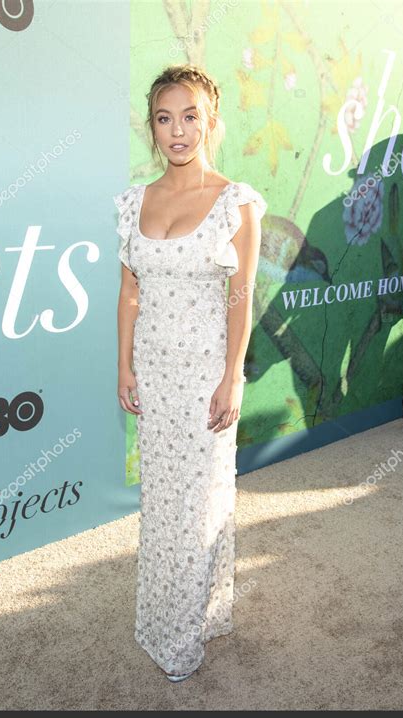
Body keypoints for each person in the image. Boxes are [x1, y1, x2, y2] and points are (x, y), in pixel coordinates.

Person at [114, 64, 267, 682]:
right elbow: (129, 292)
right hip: (153, 371)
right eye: (164, 118)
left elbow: (242, 296)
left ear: (211, 121)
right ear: (152, 128)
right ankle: (178, 614)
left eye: (190, 116)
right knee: (163, 499)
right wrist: (122, 366)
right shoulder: (135, 200)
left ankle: (181, 637)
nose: (178, 130)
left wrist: (233, 375)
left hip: (206, 373)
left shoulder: (237, 202)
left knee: (201, 502)